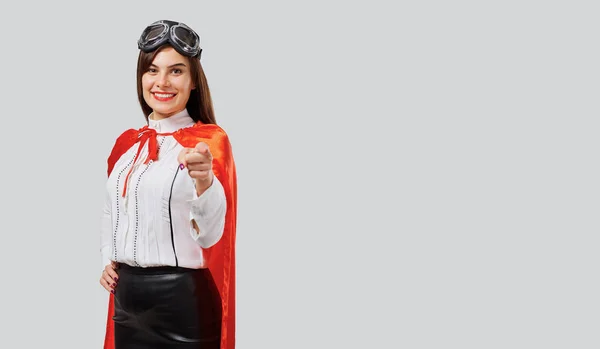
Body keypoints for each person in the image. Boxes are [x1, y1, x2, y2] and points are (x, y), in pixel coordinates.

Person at [98, 19, 237, 349]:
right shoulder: (127, 145)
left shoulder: (209, 142)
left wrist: (204, 180)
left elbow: (211, 234)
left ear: (193, 83)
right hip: (127, 301)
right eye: (152, 70)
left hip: (181, 302)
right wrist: (108, 258)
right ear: (141, 78)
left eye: (176, 71)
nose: (161, 82)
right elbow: (111, 211)